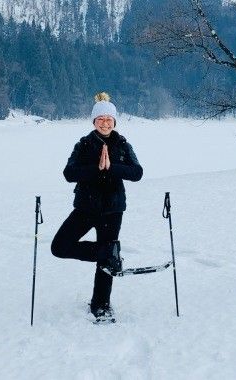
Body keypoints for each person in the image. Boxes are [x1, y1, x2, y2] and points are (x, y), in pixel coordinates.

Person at [51, 92, 143, 320]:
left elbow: (137, 172)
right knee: (59, 247)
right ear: (94, 122)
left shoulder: (122, 145)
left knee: (106, 263)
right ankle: (106, 253)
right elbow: (69, 173)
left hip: (113, 210)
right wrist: (96, 168)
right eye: (100, 119)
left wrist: (112, 167)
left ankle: (101, 305)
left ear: (114, 122)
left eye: (109, 120)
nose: (105, 123)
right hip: (85, 208)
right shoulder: (83, 145)